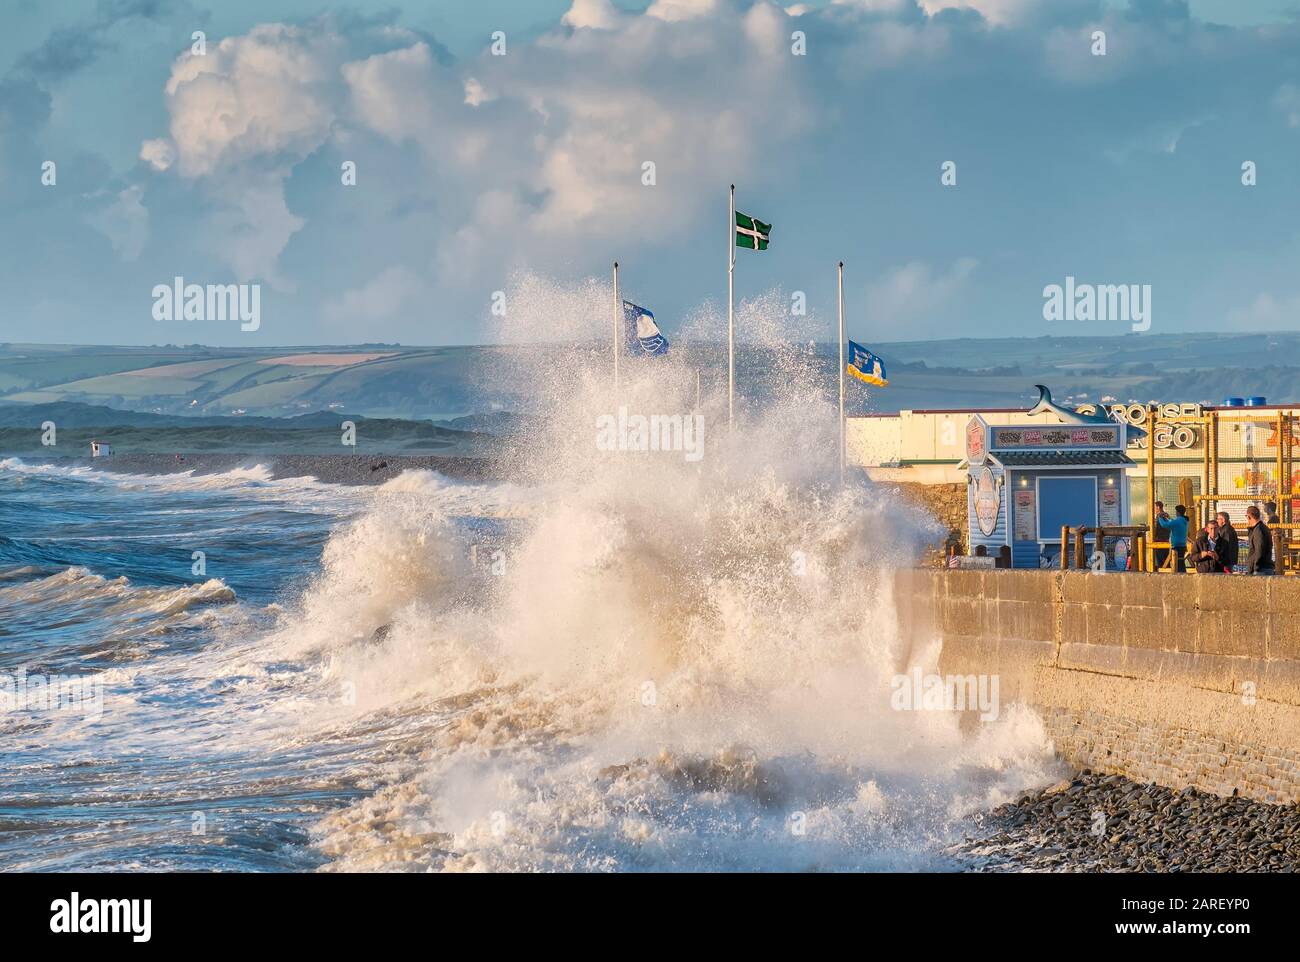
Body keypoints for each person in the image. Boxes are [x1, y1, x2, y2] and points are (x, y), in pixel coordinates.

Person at [1157, 504, 1190, 572]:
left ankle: (1181, 576)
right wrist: (1168, 518)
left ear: (1177, 512)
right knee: (1180, 561)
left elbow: (1164, 525)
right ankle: (1182, 574)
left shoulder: (1177, 521)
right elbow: (1173, 523)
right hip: (1183, 545)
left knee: (1177, 563)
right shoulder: (1184, 521)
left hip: (1176, 545)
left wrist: (1160, 517)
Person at [1245, 505, 1275, 575]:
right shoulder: (1264, 528)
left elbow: (1259, 550)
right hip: (1265, 566)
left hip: (1261, 569)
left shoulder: (1258, 530)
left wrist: (1255, 568)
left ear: (1249, 516)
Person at [1152, 501, 1169, 571]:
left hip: (1158, 541)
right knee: (1166, 560)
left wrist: (1153, 537)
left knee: (1159, 562)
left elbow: (1156, 528)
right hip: (1166, 540)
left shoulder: (1159, 516)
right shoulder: (1167, 515)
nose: (1154, 510)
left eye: (1154, 508)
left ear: (1158, 507)